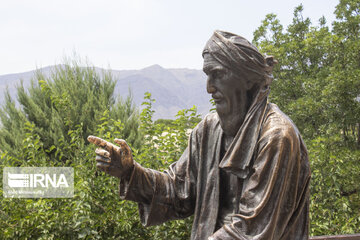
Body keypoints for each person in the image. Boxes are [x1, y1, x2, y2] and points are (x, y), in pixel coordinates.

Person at [88, 30, 311, 240]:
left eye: (218, 75)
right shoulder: (208, 130)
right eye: (207, 75)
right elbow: (178, 190)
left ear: (248, 79)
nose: (209, 88)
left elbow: (251, 229)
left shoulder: (277, 137)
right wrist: (130, 172)